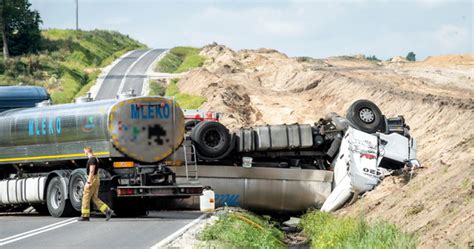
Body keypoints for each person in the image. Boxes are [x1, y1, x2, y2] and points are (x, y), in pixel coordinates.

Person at [78, 146, 114, 221]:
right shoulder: (94, 158)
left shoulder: (92, 159)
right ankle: (107, 211)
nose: (84, 152)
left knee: (86, 196)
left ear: (87, 150)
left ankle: (85, 216)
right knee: (94, 198)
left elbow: (91, 171)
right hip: (95, 178)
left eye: (84, 151)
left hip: (92, 179)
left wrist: (88, 182)